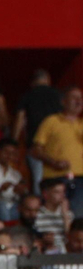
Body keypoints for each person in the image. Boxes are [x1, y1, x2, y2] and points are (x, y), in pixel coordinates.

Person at [32, 87, 83, 216]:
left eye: (80, 98)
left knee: (77, 219)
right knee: (54, 218)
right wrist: (53, 162)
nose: (78, 101)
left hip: (81, 179)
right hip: (56, 179)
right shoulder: (51, 121)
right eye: (74, 98)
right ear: (63, 102)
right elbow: (36, 150)